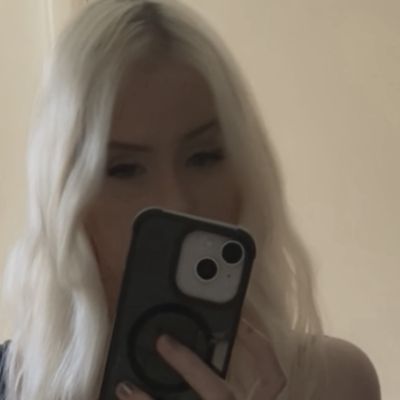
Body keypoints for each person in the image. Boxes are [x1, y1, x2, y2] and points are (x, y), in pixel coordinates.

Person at [0, 1, 381, 399]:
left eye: (204, 157)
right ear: (66, 200)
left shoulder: (334, 382)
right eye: (124, 169)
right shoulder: (16, 385)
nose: (177, 202)